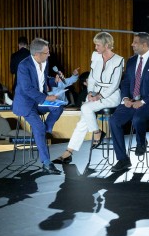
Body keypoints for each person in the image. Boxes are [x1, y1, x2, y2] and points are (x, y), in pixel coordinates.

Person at [53, 32, 124, 164]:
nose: (95, 47)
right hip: (94, 93)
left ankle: (96, 133)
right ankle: (69, 152)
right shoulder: (95, 56)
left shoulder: (118, 60)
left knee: (85, 108)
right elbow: (91, 77)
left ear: (107, 45)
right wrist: (90, 92)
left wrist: (99, 96)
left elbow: (115, 84)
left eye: (98, 45)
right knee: (83, 119)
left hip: (111, 96)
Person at [109, 32, 149, 172]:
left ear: (144, 44)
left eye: (135, 42)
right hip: (132, 100)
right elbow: (126, 82)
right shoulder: (131, 61)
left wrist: (143, 101)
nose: (132, 45)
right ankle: (123, 159)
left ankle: (141, 142)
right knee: (114, 121)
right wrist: (125, 99)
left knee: (137, 118)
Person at [12, 37, 64, 175]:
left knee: (58, 107)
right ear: (37, 54)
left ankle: (45, 130)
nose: (49, 54)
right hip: (26, 104)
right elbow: (27, 88)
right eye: (46, 52)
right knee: (38, 127)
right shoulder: (23, 66)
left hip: (39, 101)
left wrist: (55, 80)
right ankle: (47, 163)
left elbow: (43, 80)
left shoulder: (45, 62)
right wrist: (47, 97)